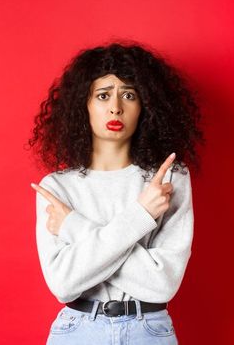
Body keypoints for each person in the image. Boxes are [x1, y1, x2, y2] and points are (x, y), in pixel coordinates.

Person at [26, 41, 205, 344]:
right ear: (83, 104)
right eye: (103, 95)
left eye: (129, 95)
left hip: (149, 330)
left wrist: (75, 227)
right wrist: (142, 215)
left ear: (145, 106)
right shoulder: (57, 188)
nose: (115, 107)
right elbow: (63, 284)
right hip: (77, 330)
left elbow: (162, 284)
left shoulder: (167, 180)